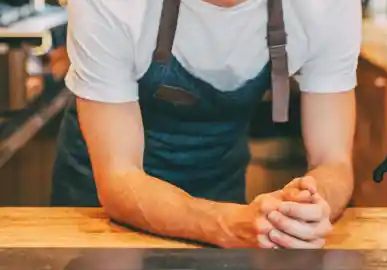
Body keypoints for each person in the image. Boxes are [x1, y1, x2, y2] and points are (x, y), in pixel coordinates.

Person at [51, 0, 361, 249]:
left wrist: (310, 206)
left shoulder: (326, 7)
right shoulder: (112, 5)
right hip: (101, 212)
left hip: (220, 187)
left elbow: (333, 160)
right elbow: (119, 176)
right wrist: (226, 225)